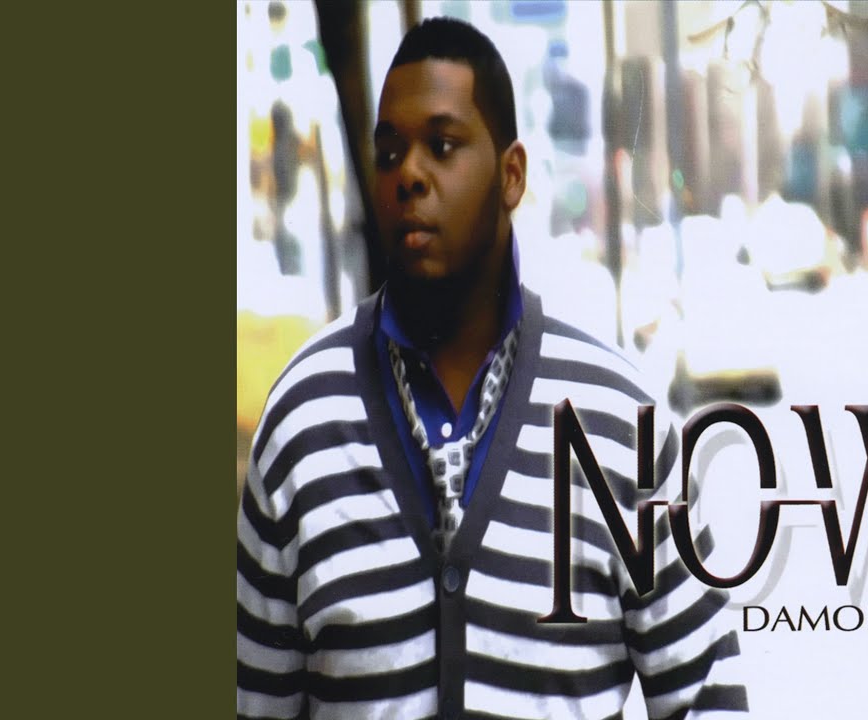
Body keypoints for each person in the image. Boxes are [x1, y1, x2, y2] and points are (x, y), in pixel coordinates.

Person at [238, 17, 748, 720]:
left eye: (442, 146)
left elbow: (709, 698)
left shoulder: (617, 426)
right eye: (390, 154)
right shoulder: (303, 421)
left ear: (511, 176)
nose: (409, 175)